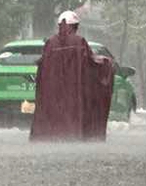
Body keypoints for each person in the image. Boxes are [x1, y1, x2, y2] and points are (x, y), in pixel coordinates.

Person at [30, 10, 115, 141]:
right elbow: (91, 62)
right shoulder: (79, 41)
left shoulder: (50, 43)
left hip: (53, 92)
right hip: (74, 91)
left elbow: (42, 66)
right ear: (74, 26)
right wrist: (105, 62)